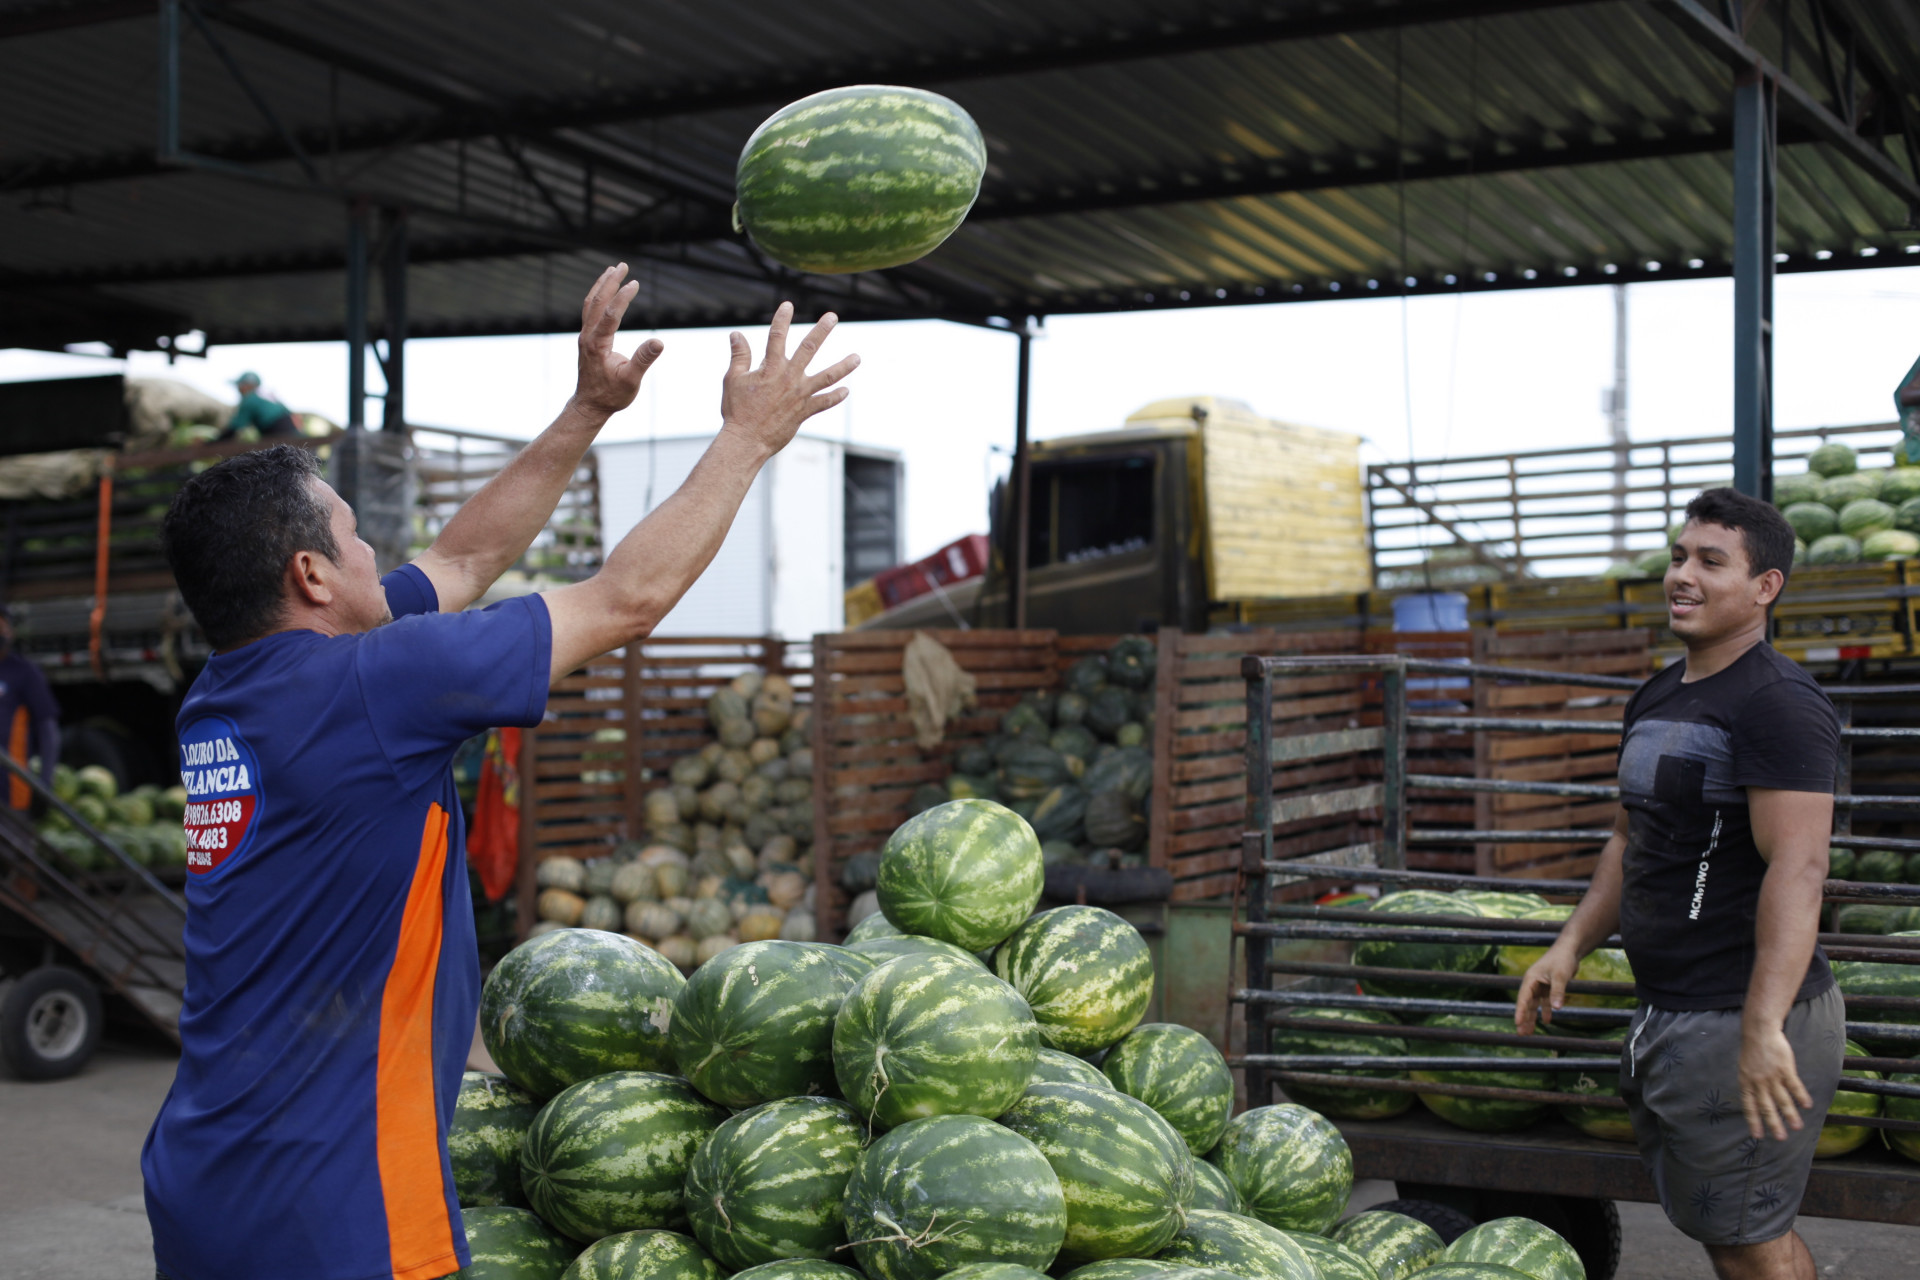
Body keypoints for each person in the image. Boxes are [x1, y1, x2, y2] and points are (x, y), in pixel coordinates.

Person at [142, 264, 857, 1280]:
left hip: (202, 1175)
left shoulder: (228, 692)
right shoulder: (373, 685)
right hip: (335, 1203)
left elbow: (464, 561)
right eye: (354, 535)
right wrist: (747, 437)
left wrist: (588, 408)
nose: (373, 548)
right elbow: (627, 600)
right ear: (310, 576)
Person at [1514, 487, 1842, 1280]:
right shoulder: (1658, 695)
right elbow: (1632, 840)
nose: (1682, 575)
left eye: (1710, 561)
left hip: (1738, 1015)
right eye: (1677, 557)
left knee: (1750, 1241)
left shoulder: (1779, 705)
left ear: (1765, 587)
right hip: (1670, 1012)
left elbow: (1800, 870)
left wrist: (1762, 1029)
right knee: (1723, 1232)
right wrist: (1570, 945)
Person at [0, 609, 60, 809]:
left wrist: (44, 782)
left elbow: (48, 731)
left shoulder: (24, 672)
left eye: (3, 628)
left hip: (11, 790)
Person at [218, 371, 303, 439]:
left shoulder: (249, 399)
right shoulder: (267, 395)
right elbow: (291, 414)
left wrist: (216, 441)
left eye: (240, 386)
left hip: (277, 432)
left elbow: (235, 427)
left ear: (246, 386)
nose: (239, 389)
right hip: (291, 429)